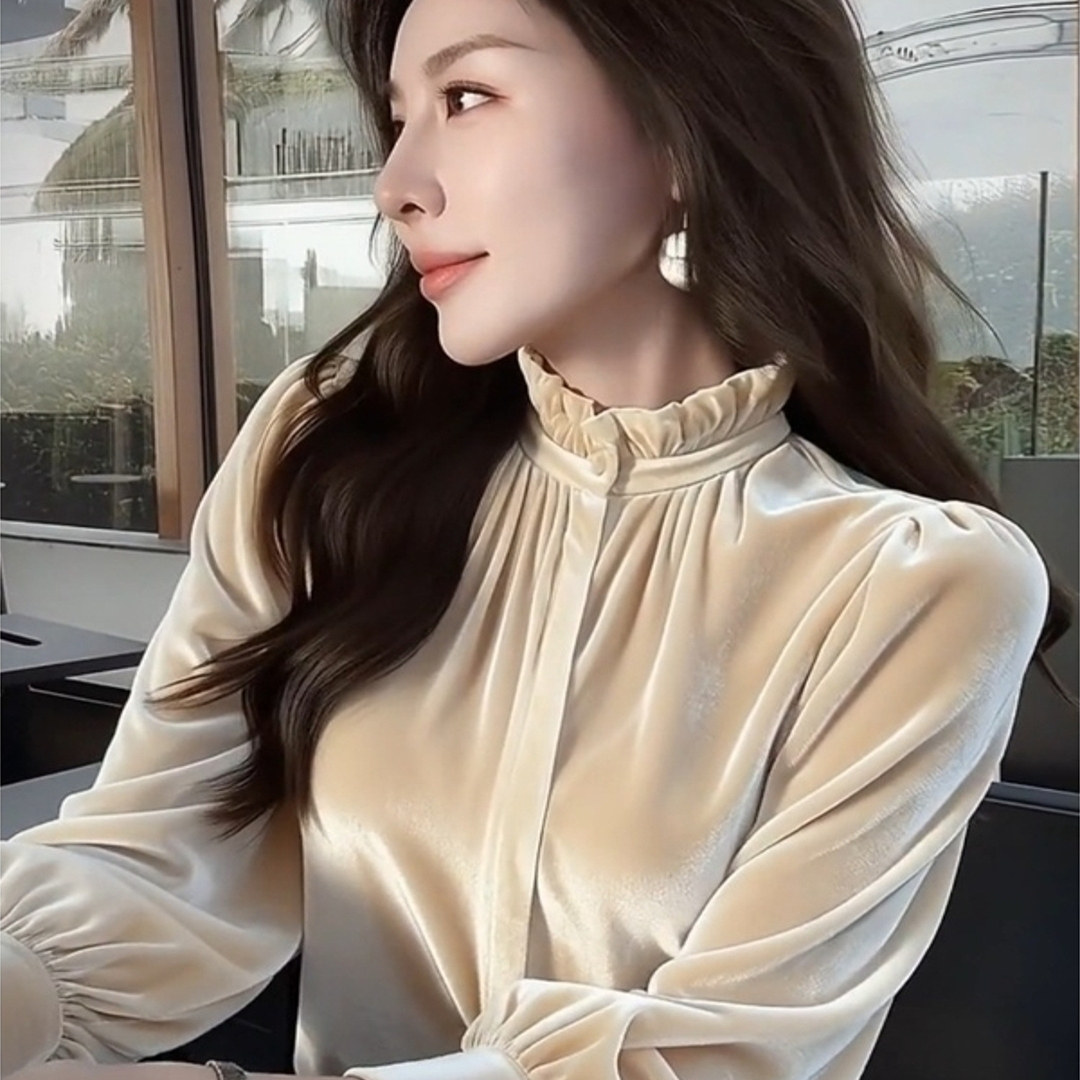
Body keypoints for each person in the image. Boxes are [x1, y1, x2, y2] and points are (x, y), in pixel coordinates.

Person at [2, 0, 1073, 1078]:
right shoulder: (325, 452)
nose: (396, 185)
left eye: (468, 97)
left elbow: (723, 1052)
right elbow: (162, 841)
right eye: (400, 117)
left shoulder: (922, 584)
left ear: (683, 125)